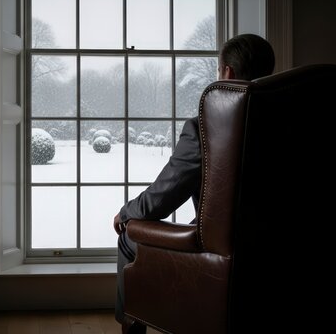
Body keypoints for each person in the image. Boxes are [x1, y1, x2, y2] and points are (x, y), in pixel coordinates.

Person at [113, 34, 276, 333]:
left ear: (226, 73)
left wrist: (125, 214)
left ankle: (131, 324)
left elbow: (160, 200)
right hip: (284, 251)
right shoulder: (300, 122)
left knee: (129, 233)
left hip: (218, 255)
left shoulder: (208, 127)